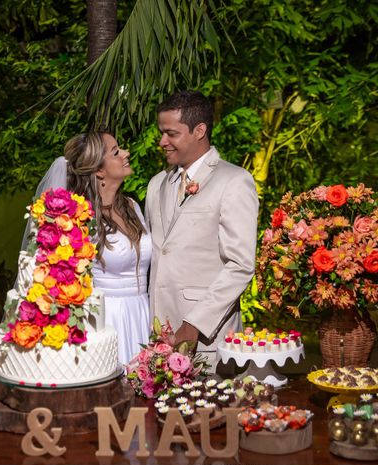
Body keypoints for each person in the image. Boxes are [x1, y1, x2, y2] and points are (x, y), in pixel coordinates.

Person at [145, 90, 259, 372]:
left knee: (212, 415)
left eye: (171, 133)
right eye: (161, 133)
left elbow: (241, 265)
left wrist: (194, 324)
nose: (162, 142)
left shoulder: (234, 181)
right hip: (158, 332)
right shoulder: (156, 184)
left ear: (199, 130)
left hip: (208, 336)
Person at [64, 132, 152, 366]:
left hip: (142, 312)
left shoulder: (132, 206)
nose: (126, 153)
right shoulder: (79, 217)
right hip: (106, 319)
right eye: (116, 151)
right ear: (99, 171)